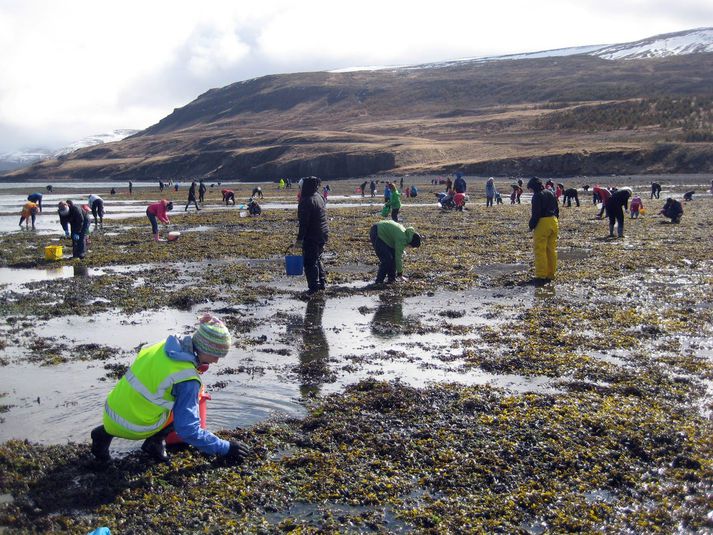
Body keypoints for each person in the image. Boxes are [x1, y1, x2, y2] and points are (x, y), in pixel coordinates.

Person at [90, 314, 251, 464]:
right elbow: (188, 430)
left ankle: (106, 434)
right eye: (216, 355)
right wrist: (226, 448)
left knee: (168, 394)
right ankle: (154, 440)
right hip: (135, 426)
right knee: (187, 406)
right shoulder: (187, 378)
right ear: (206, 350)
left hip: (111, 410)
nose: (216, 361)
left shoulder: (166, 346)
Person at [295, 176, 328, 296]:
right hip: (323, 233)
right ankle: (322, 284)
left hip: (312, 235)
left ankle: (314, 287)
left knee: (309, 262)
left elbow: (304, 224)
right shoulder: (319, 196)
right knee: (317, 258)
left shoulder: (306, 200)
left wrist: (299, 240)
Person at [369, 219, 421, 284]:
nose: (408, 247)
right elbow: (398, 257)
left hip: (385, 234)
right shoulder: (402, 238)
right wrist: (400, 274)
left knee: (392, 257)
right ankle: (379, 281)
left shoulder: (406, 234)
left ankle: (391, 279)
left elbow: (395, 257)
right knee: (387, 259)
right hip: (377, 232)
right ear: (411, 242)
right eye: (410, 246)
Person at [527, 177, 559, 283]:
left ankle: (541, 275)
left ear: (533, 187)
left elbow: (536, 213)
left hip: (543, 223)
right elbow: (557, 209)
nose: (530, 191)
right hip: (553, 221)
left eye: (530, 189)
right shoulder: (550, 193)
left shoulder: (537, 196)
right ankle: (551, 274)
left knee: (540, 250)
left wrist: (531, 225)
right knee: (551, 250)